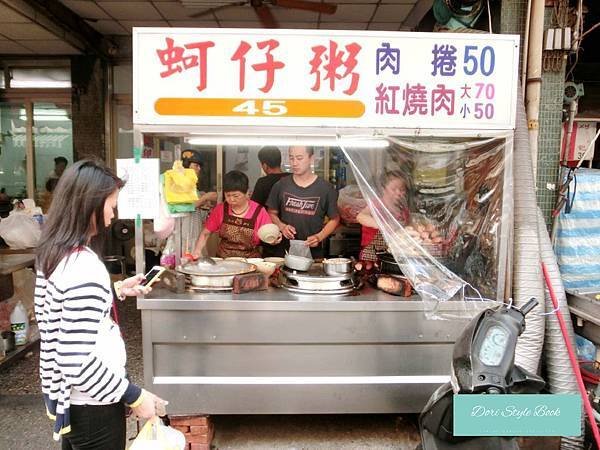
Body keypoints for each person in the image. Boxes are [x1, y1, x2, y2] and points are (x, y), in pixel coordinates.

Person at [35, 160, 163, 449]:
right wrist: (134, 395)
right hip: (94, 404)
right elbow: (76, 362)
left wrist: (113, 289)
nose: (113, 214)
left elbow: (60, 310)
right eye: (111, 204)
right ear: (89, 205)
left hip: (70, 399)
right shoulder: (83, 266)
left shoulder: (53, 252)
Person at [266, 146, 340, 259]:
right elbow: (271, 212)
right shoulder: (280, 185)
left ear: (311, 159)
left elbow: (335, 219)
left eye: (299, 158)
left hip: (313, 253)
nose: (294, 163)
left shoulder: (325, 188)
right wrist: (281, 226)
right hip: (284, 253)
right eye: (291, 158)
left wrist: (319, 236)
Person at [192, 170, 276, 259]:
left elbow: (269, 235)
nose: (231, 199)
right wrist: (197, 251)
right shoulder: (220, 209)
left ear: (247, 193)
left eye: (236, 196)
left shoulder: (259, 211)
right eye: (228, 195)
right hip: (224, 261)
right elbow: (205, 233)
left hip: (250, 262)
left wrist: (274, 239)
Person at [356, 171, 410, 262]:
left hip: (393, 256)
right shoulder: (377, 204)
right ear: (383, 189)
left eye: (402, 189)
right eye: (394, 189)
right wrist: (382, 225)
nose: (398, 193)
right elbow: (361, 217)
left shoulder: (403, 210)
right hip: (372, 257)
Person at [251, 146, 289, 257]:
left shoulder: (263, 182)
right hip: (292, 232)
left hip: (269, 233)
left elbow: (254, 208)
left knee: (272, 266)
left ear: (265, 165)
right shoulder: (292, 179)